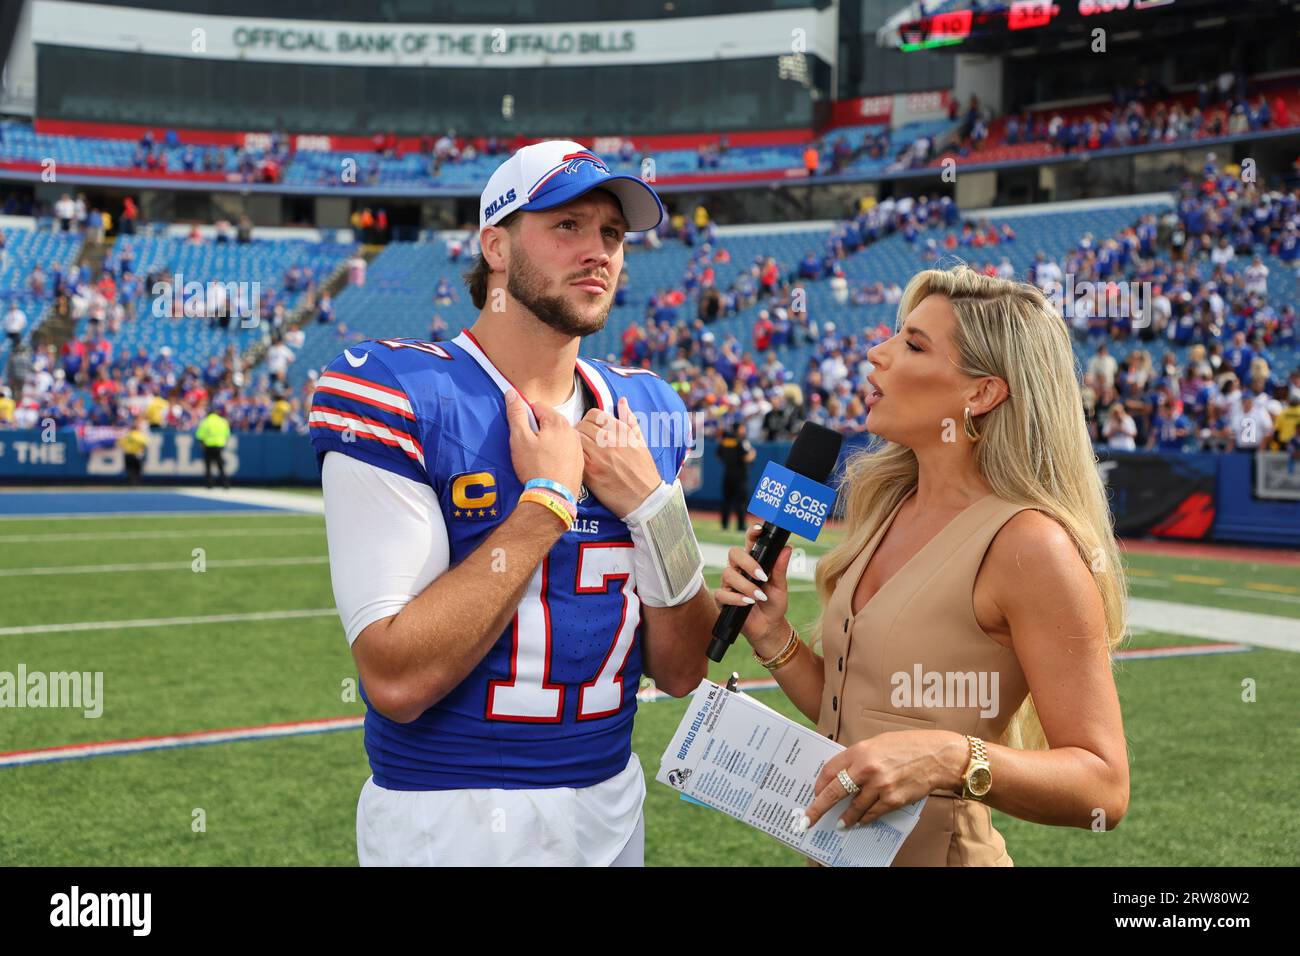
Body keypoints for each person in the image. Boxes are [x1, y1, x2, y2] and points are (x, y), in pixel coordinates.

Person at [309, 140, 714, 867]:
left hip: (613, 802)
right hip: (451, 814)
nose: (598, 252)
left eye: (613, 235)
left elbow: (682, 670)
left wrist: (657, 509)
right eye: (568, 226)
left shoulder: (650, 409)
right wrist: (548, 502)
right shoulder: (401, 392)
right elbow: (397, 678)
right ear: (495, 244)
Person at [716, 267, 1129, 865]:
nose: (874, 354)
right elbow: (856, 717)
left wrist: (951, 758)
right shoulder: (890, 507)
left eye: (912, 344)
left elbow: (1104, 787)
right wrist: (775, 636)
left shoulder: (1030, 544)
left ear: (981, 393)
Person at [716, 420, 756, 531]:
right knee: (741, 501)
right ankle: (741, 525)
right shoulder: (742, 441)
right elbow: (747, 457)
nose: (744, 430)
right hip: (740, 475)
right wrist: (753, 453)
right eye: (742, 428)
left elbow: (718, 455)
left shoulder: (725, 440)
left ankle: (724, 525)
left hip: (728, 473)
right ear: (738, 429)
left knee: (726, 500)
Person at [195, 404, 231, 489]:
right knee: (220, 465)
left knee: (208, 466)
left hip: (208, 446)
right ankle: (225, 483)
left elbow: (199, 435)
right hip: (219, 446)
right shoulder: (222, 421)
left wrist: (202, 444)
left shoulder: (205, 421)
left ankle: (209, 484)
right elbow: (227, 434)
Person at [118, 418, 149, 485]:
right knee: (137, 469)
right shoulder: (139, 435)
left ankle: (130, 482)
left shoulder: (127, 435)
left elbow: (120, 443)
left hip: (127, 454)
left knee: (129, 469)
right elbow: (144, 444)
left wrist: (127, 448)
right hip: (136, 454)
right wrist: (141, 451)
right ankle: (136, 482)